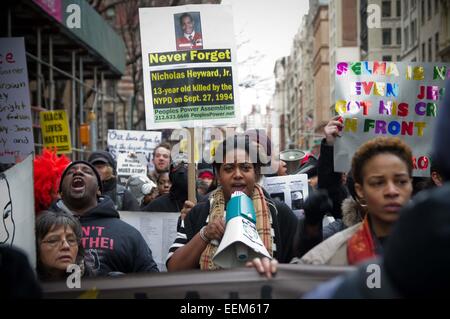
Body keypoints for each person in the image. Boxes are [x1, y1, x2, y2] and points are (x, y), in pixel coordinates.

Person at [166, 135, 299, 271]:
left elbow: (300, 268)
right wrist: (205, 234)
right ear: (218, 174)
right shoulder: (197, 213)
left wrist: (274, 269)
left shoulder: (279, 213)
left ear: (256, 173)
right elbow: (174, 268)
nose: (237, 175)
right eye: (229, 169)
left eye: (245, 168)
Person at [297, 136, 413, 266]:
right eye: (378, 183)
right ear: (360, 191)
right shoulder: (337, 248)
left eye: (401, 182)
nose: (392, 191)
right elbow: (299, 272)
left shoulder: (434, 241)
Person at [52, 160, 159, 276]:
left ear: (98, 190)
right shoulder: (43, 230)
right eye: (70, 172)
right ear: (60, 192)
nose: (78, 172)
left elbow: (151, 280)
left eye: (87, 171)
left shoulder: (127, 233)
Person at [36, 210, 91, 281]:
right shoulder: (23, 286)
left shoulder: (92, 283)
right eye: (53, 240)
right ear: (36, 248)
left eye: (71, 240)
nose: (66, 246)